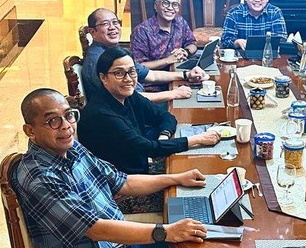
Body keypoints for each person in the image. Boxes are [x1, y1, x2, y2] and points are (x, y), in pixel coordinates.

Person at [12, 88, 228, 248]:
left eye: (68, 115)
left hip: (122, 247)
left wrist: (176, 178)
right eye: (52, 121)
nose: (66, 126)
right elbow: (95, 229)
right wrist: (166, 231)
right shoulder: (40, 176)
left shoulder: (72, 148)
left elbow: (122, 182)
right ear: (30, 130)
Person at [78, 47, 220, 174]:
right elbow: (148, 148)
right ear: (103, 78)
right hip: (123, 185)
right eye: (119, 73)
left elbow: (165, 116)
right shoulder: (101, 114)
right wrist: (198, 139)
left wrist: (164, 135)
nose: (128, 79)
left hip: (141, 168)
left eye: (132, 71)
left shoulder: (128, 95)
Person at [83, 8, 205, 102]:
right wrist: (173, 94)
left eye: (115, 22)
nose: (112, 27)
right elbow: (129, 98)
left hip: (139, 104)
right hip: (127, 115)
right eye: (105, 24)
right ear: (92, 32)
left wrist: (187, 74)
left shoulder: (115, 51)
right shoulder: (98, 60)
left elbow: (151, 75)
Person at [131, 0, 198, 72]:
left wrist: (185, 52)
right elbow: (138, 66)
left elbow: (192, 43)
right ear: (156, 5)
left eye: (175, 4)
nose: (170, 8)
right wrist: (168, 60)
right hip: (155, 78)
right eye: (165, 3)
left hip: (178, 72)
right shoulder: (141, 31)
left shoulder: (180, 22)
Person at [220, 0, 287, 50]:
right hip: (241, 55)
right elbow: (225, 41)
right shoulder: (233, 13)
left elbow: (281, 38)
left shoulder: (275, 12)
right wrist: (237, 42)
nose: (257, 0)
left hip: (268, 54)